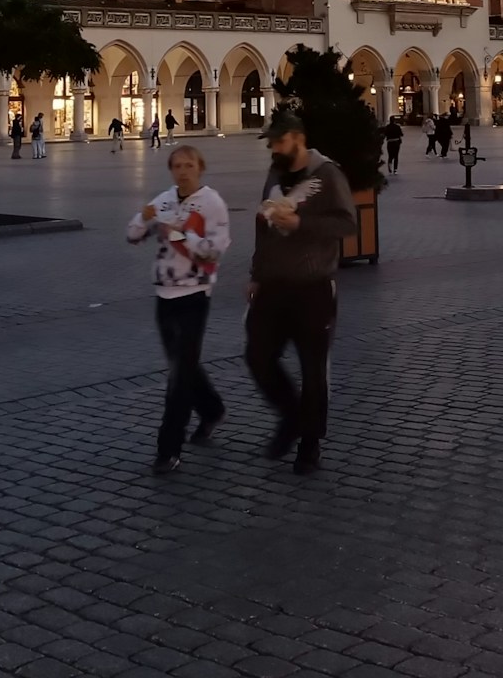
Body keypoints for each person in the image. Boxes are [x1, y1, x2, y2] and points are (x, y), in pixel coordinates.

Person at [247, 110, 359, 475]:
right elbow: (261, 223)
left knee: (313, 370)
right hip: (274, 284)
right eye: (271, 143)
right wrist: (256, 273)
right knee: (258, 356)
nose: (274, 148)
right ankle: (291, 415)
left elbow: (347, 222)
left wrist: (301, 223)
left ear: (297, 137)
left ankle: (309, 444)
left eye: (279, 141)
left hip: (313, 285)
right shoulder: (275, 172)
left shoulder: (327, 173)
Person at [128, 145, 231, 474]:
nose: (183, 171)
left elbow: (214, 250)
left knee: (179, 376)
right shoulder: (165, 199)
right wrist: (143, 219)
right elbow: (132, 234)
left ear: (200, 167)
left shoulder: (212, 203)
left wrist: (180, 234)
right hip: (164, 294)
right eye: (177, 166)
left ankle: (168, 448)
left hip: (195, 293)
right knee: (182, 364)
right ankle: (212, 409)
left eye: (189, 165)